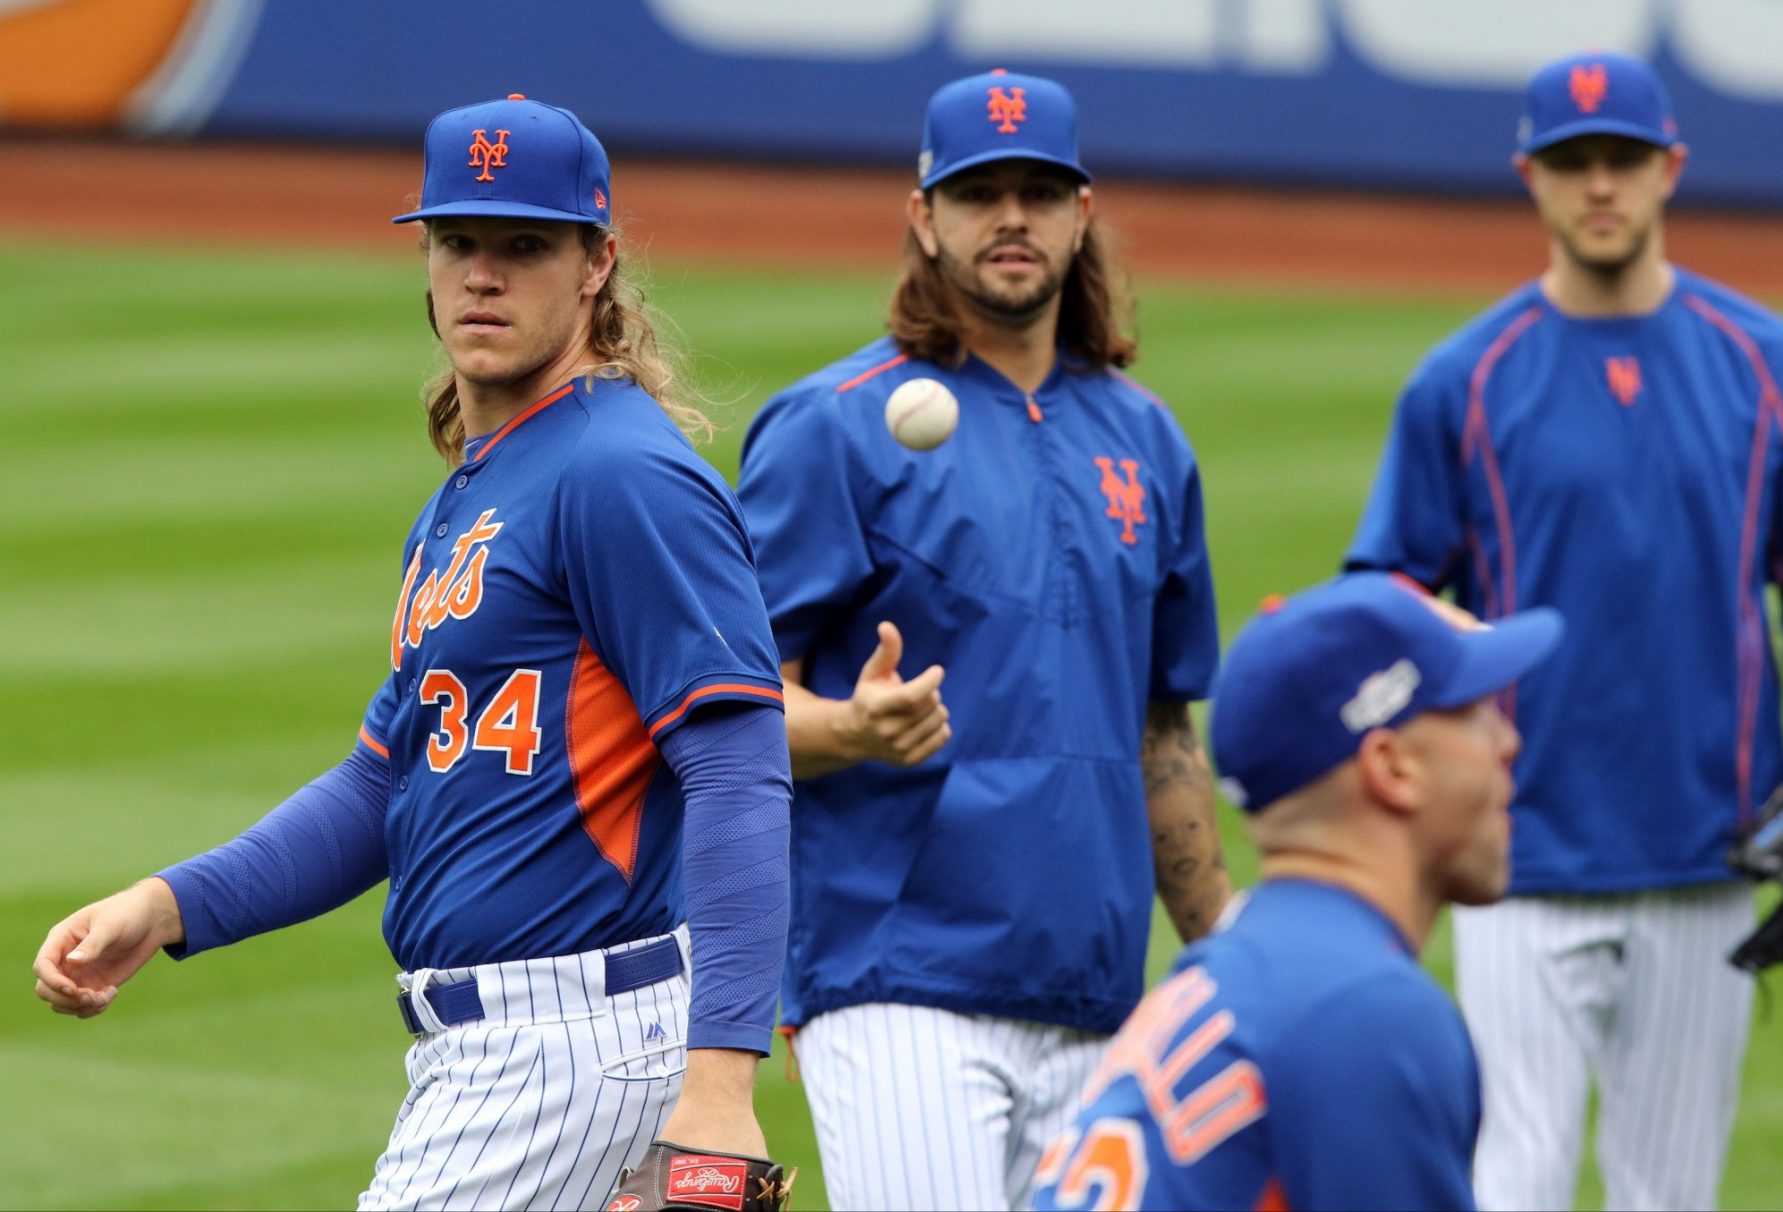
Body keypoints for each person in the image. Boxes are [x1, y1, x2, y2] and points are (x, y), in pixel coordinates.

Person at [31, 95, 792, 1211]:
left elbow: (734, 763)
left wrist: (722, 1079)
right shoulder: (471, 495)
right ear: (426, 262)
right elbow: (385, 777)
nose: (484, 275)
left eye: (524, 246)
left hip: (567, 1050)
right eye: (458, 243)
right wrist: (173, 903)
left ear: (596, 264)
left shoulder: (618, 474)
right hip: (516, 1050)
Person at [1344, 50, 1783, 1211]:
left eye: (1620, 160)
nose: (1598, 186)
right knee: (1508, 1184)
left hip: (1704, 854)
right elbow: (1382, 599)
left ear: (1668, 167)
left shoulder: (1763, 364)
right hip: (1517, 858)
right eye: (1571, 165)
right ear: (1529, 176)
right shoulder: (1463, 378)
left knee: (1668, 1194)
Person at [736, 69, 1229, 1211]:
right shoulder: (832, 428)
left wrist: (1221, 952)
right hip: (897, 982)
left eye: (1038, 191)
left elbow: (1162, 731)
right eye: (977, 192)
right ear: (923, 216)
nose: (1010, 216)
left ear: (1080, 213)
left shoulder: (1147, 443)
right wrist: (850, 728)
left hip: (1100, 997)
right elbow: (719, 715)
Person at [1033, 573, 1565, 1211]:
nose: (1508, 741)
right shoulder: (1361, 1010)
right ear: (1393, 768)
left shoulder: (1250, 970)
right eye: (1474, 710)